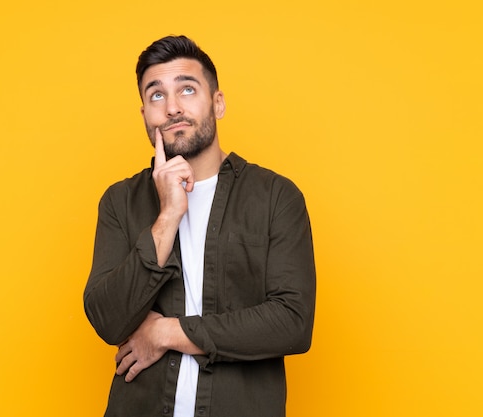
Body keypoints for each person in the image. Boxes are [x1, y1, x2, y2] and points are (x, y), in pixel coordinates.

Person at [83, 35, 316, 417]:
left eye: (187, 89)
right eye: (156, 95)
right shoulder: (120, 201)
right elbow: (108, 319)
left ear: (217, 103)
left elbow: (292, 321)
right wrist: (169, 215)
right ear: (145, 115)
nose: (172, 107)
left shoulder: (276, 197)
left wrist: (166, 333)